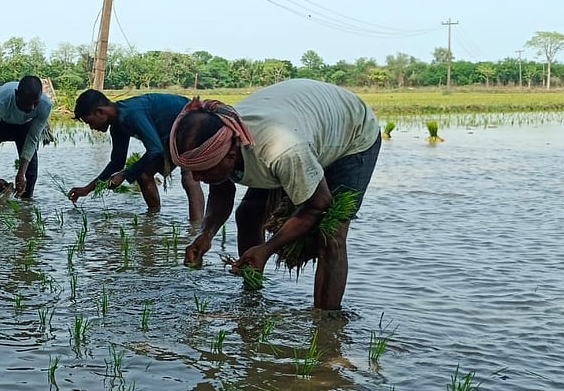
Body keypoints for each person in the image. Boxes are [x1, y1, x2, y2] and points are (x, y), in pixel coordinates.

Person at [169, 79, 381, 310]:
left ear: (230, 154)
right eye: (193, 172)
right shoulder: (224, 137)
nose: (197, 179)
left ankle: (326, 324)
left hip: (352, 132)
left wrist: (267, 249)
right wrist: (206, 234)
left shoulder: (282, 150)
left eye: (203, 172)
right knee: (248, 214)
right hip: (301, 121)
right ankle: (252, 301)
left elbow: (319, 203)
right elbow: (222, 191)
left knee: (330, 236)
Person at [66, 89, 205, 223]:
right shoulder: (117, 126)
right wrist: (87, 189)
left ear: (100, 112)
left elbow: (155, 150)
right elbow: (117, 162)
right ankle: (153, 219)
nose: (91, 127)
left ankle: (197, 229)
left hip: (192, 122)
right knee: (143, 175)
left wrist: (124, 175)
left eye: (90, 122)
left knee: (189, 178)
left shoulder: (131, 114)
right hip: (169, 136)